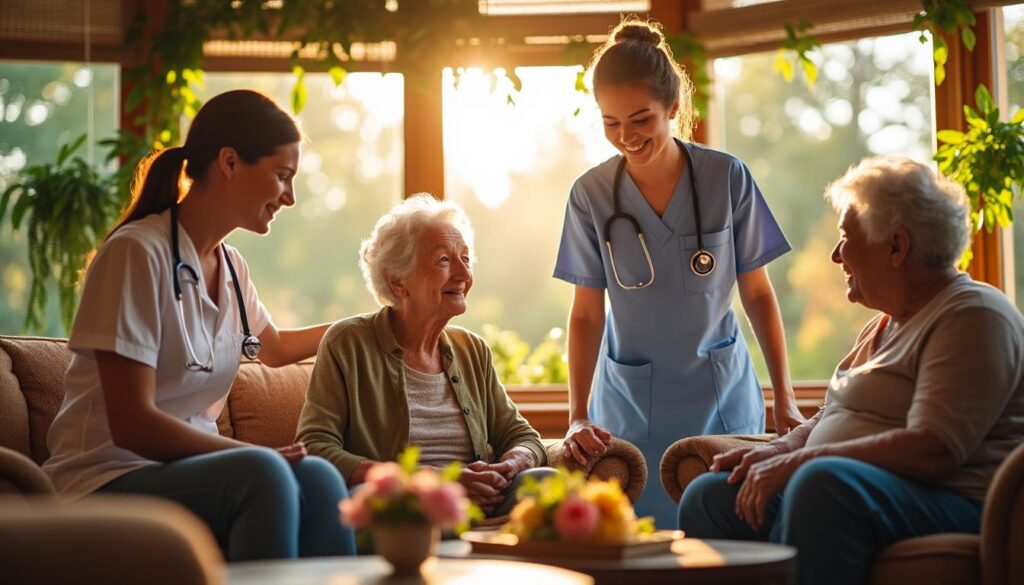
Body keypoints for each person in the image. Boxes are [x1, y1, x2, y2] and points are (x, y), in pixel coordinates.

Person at [677, 156, 1024, 585]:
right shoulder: (883, 324)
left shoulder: (972, 315)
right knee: (710, 495)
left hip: (950, 499)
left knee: (821, 485)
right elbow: (829, 417)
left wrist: (805, 462)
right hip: (853, 488)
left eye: (845, 238)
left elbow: (934, 448)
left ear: (897, 246)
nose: (836, 255)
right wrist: (776, 451)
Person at [42, 90, 356, 561]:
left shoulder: (231, 266)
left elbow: (272, 348)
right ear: (229, 161)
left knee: (320, 477)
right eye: (282, 176)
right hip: (107, 476)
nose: (289, 197)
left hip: (188, 470)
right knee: (262, 474)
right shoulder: (137, 253)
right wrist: (248, 455)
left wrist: (371, 325)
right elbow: (132, 425)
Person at [554, 17, 802, 525]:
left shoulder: (725, 177)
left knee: (722, 537)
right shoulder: (590, 195)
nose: (627, 137)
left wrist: (786, 398)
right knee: (636, 546)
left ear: (673, 107)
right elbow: (584, 316)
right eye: (611, 123)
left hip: (720, 401)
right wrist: (577, 415)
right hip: (628, 407)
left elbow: (757, 293)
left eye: (641, 119)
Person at [296, 194, 552, 517]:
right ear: (398, 282)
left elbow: (523, 436)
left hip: (480, 501)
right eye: (444, 260)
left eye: (466, 259)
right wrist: (433, 480)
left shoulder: (473, 351)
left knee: (544, 483)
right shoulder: (347, 343)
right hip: (404, 500)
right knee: (389, 505)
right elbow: (315, 447)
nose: (464, 274)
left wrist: (508, 466)